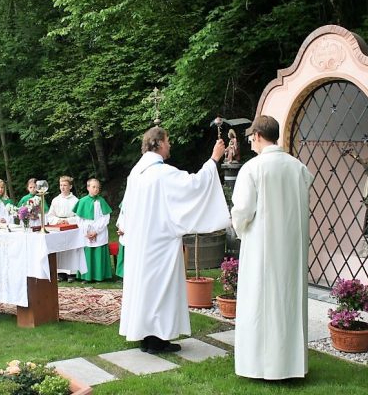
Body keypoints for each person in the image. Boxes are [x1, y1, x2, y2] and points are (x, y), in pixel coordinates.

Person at [118, 126, 228, 354]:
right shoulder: (161, 174)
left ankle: (146, 337)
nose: (170, 145)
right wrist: (214, 159)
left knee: (144, 289)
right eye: (168, 141)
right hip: (160, 242)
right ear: (158, 144)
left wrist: (124, 228)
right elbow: (195, 185)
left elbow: (126, 208)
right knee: (160, 289)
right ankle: (158, 340)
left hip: (140, 243)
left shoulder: (136, 173)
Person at [231, 115, 313, 380]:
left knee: (259, 302)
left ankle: (257, 366)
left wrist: (241, 229)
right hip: (290, 247)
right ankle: (289, 365)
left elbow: (243, 209)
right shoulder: (298, 167)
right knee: (287, 300)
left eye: (250, 138)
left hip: (261, 246)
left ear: (256, 136)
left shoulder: (253, 168)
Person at [73, 178, 113, 282]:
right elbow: (78, 218)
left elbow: (106, 217)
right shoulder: (82, 201)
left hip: (99, 231)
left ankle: (100, 276)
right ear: (88, 187)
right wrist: (85, 231)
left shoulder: (101, 201)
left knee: (98, 253)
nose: (96, 189)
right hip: (86, 231)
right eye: (93, 187)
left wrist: (96, 231)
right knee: (87, 255)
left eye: (98, 187)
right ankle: (87, 277)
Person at [46, 176, 80, 281]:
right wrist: (58, 220)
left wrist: (68, 221)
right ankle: (60, 272)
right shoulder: (56, 200)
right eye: (61, 185)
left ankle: (71, 273)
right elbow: (50, 216)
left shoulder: (75, 200)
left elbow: (79, 216)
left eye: (65, 185)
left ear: (70, 186)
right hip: (59, 226)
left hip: (71, 227)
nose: (62, 187)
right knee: (60, 248)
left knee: (71, 249)